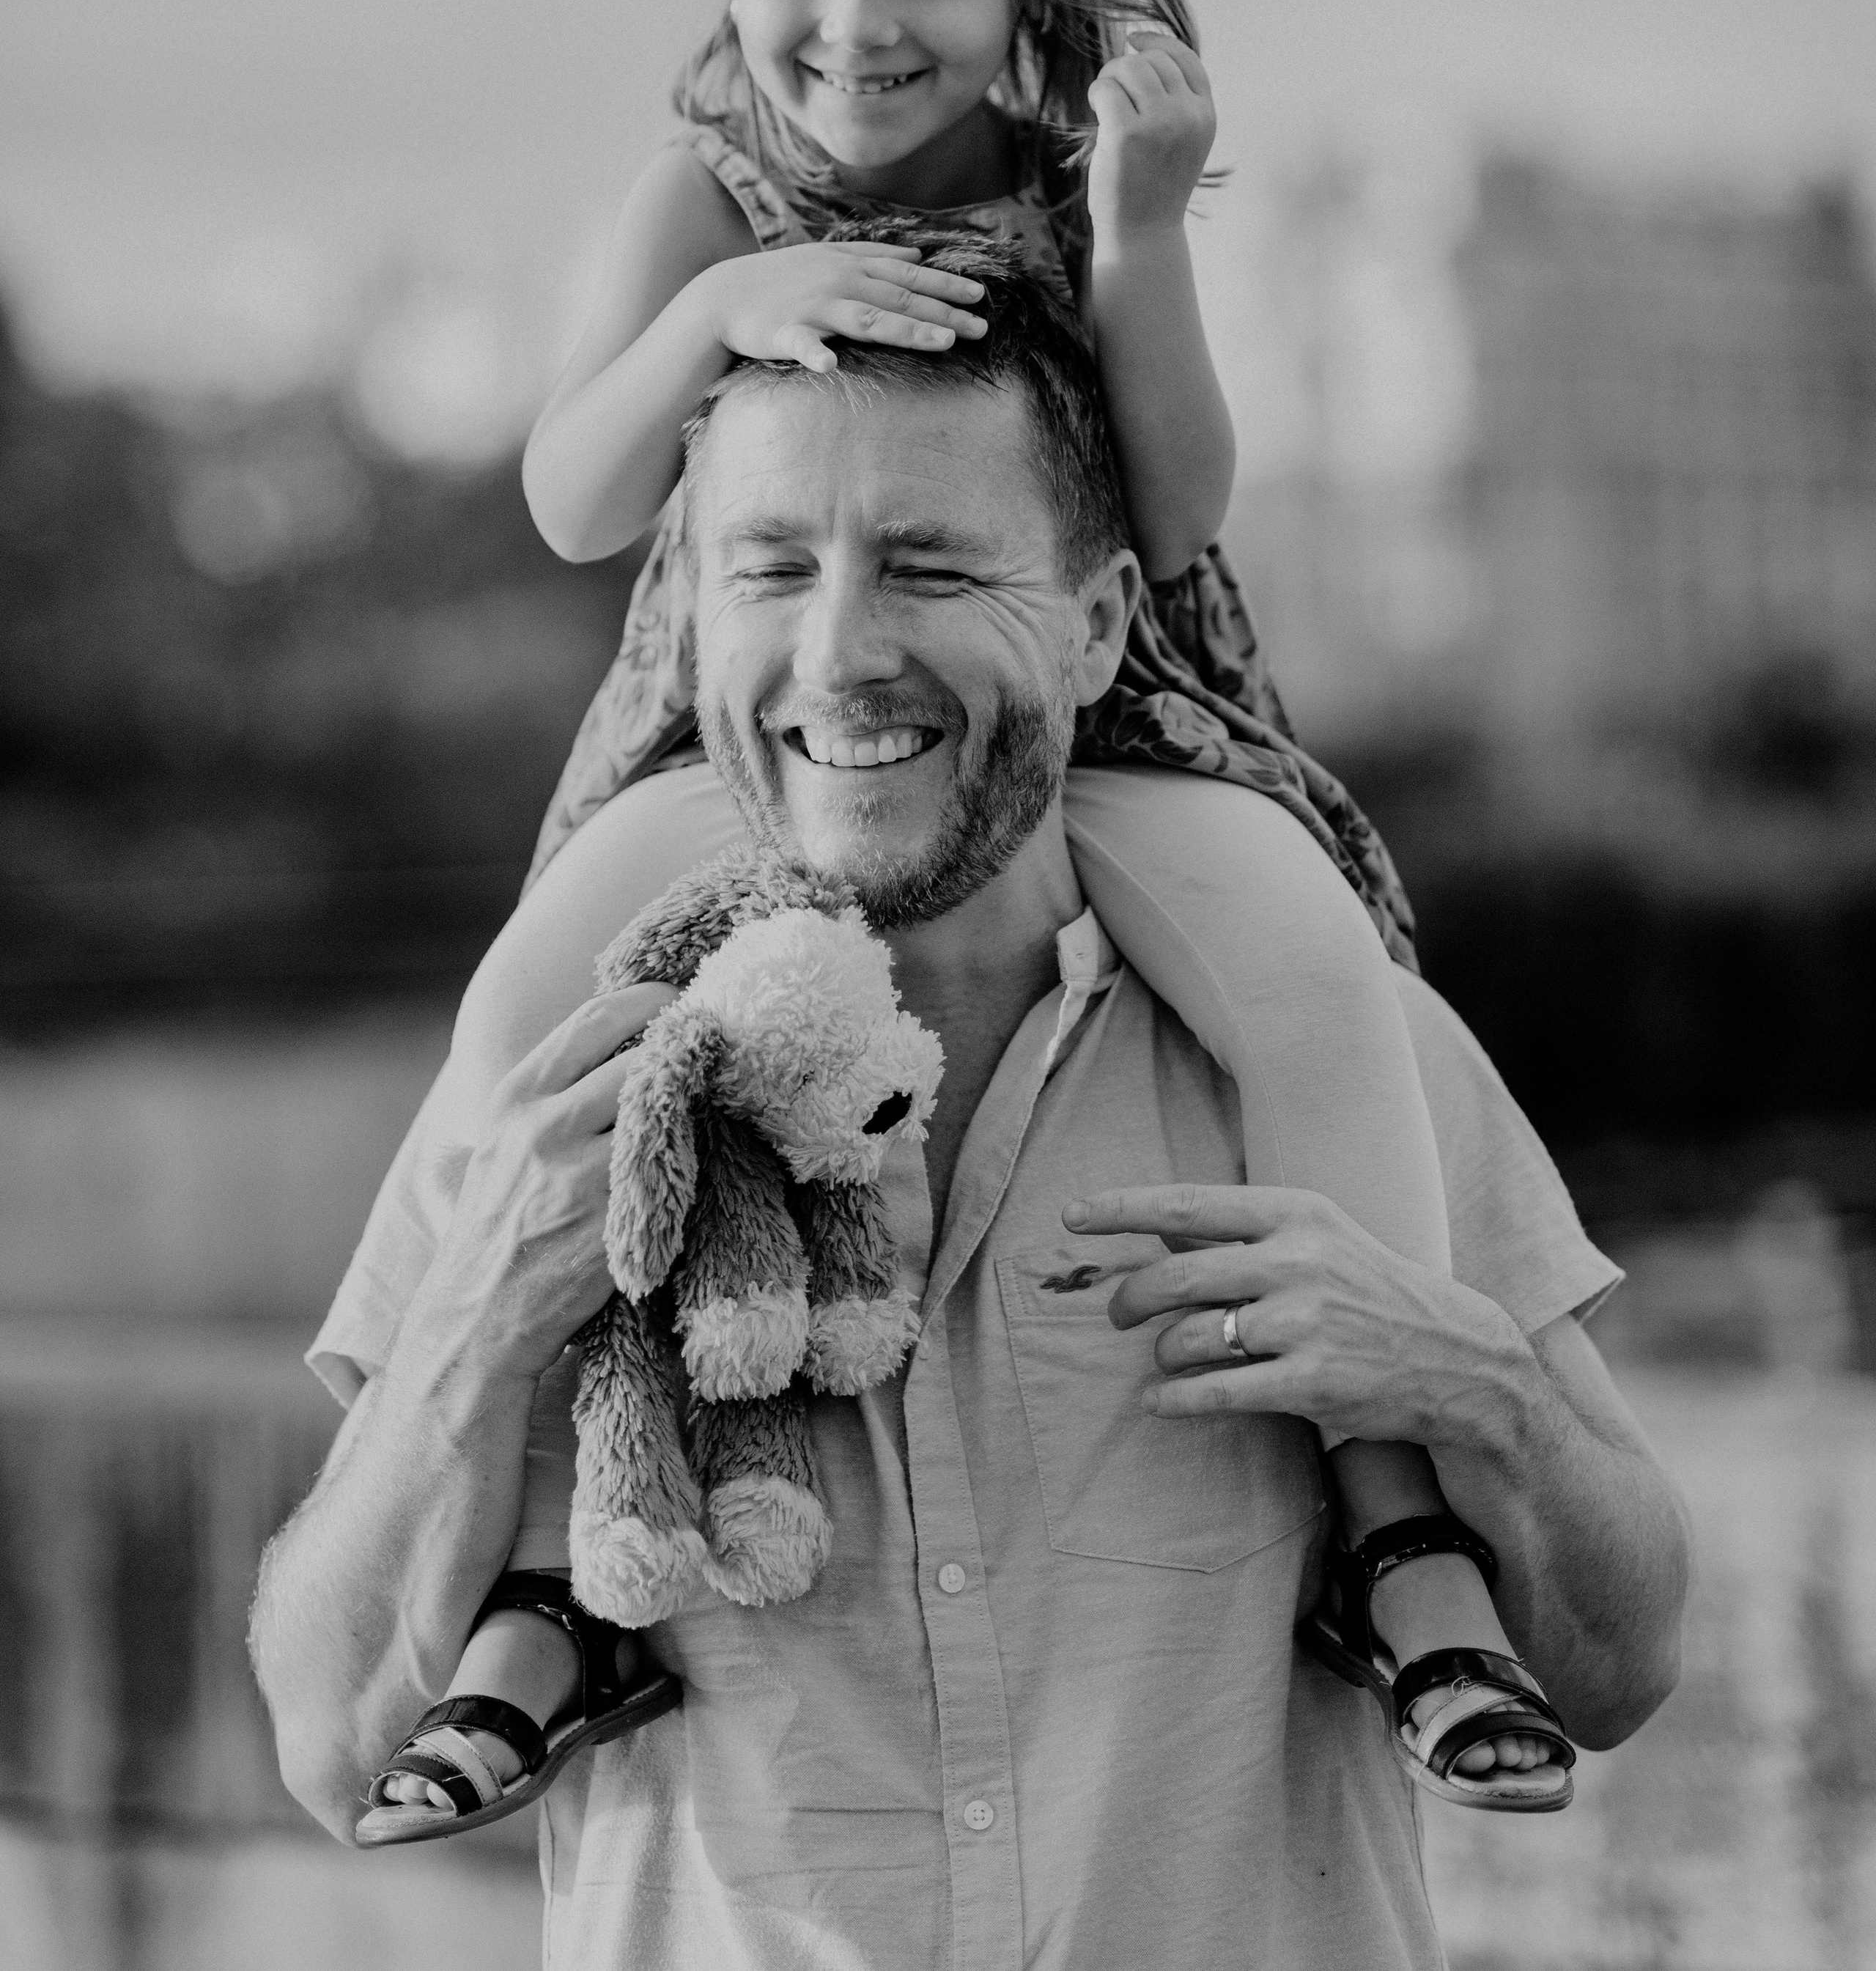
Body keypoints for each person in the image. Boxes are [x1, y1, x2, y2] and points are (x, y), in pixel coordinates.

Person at [341, 0, 1576, 1830]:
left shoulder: (1065, 164)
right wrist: (711, 322)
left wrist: (1148, 225)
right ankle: (555, 1573)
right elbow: (571, 497)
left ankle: (1401, 1535)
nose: (856, 17)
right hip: (740, 744)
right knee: (534, 1015)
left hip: (1115, 717)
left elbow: (1175, 507)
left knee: (1309, 970)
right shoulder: (702, 194)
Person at [251, 277, 1688, 1968]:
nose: (840, 650)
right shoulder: (553, 1103)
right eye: (770, 570)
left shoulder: (1350, 1062)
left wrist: (1470, 1384)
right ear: (691, 624)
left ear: (1091, 631)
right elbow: (336, 1748)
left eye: (930, 566)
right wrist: (477, 1330)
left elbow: (1614, 1667)